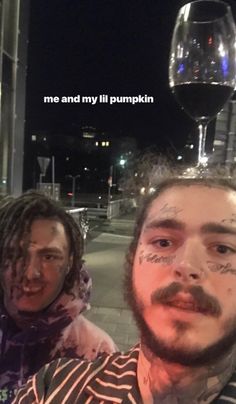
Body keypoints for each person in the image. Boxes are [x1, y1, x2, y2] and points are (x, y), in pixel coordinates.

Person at [14, 175, 236, 404]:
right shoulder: (51, 388)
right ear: (131, 261)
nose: (188, 266)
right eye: (163, 243)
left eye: (222, 248)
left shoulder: (91, 348)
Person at [0, 191, 117, 403]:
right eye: (15, 255)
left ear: (70, 262)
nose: (30, 273)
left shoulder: (96, 354)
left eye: (48, 257)